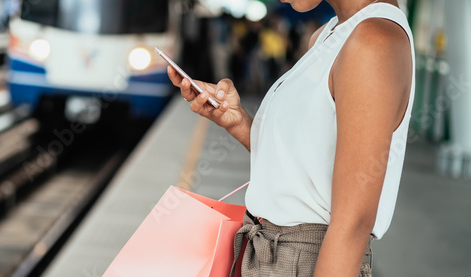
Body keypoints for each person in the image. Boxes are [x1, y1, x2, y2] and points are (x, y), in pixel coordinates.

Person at [167, 0, 414, 276]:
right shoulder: (329, 34)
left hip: (306, 263)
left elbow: (353, 224)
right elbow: (302, 171)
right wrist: (239, 123)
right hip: (265, 255)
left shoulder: (373, 42)